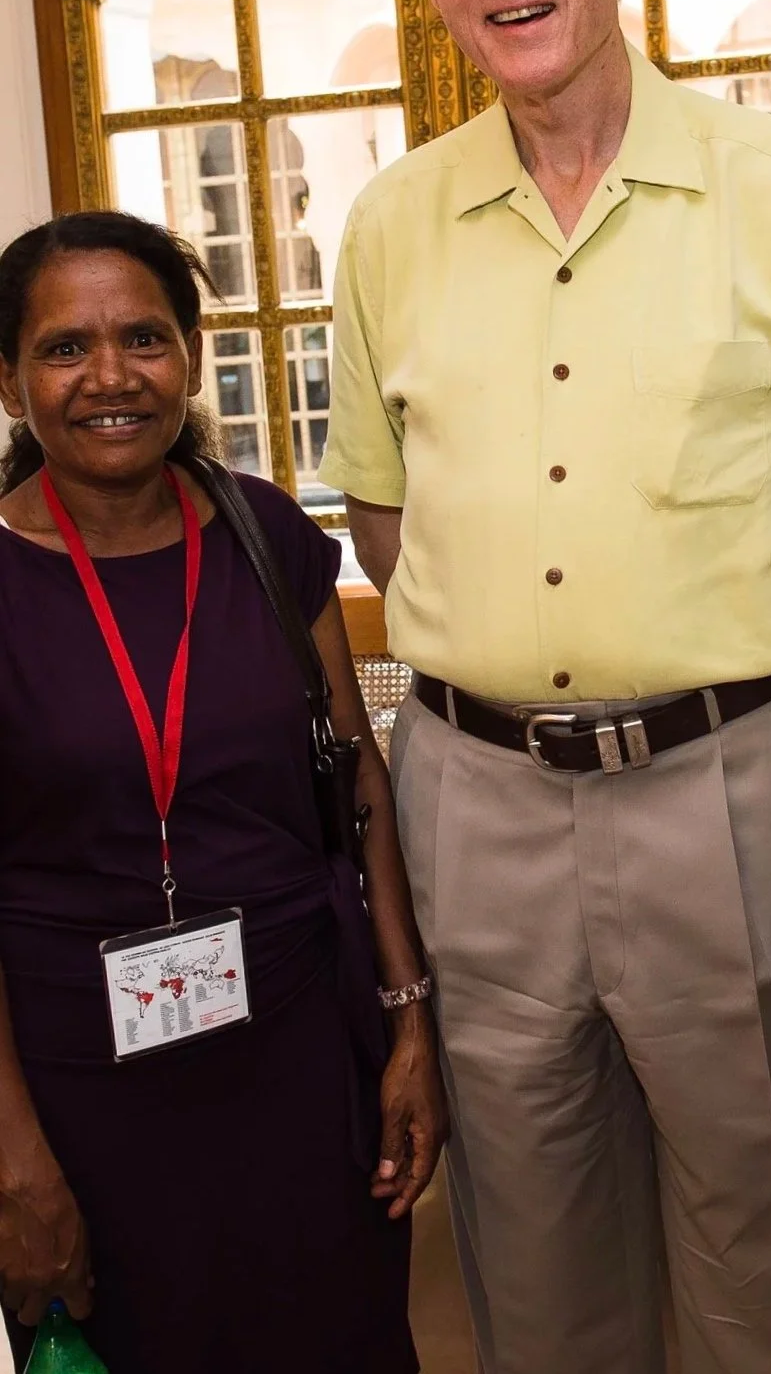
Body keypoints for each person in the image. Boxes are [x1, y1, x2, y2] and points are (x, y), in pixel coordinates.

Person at [318, 0, 771, 1374]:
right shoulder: (387, 224)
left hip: (734, 787)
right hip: (478, 799)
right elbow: (385, 520)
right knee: (527, 1248)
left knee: (765, 1240)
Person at [0, 212, 446, 1374]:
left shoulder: (268, 535)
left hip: (300, 1062)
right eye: (64, 348)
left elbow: (358, 780)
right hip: (82, 1097)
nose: (110, 377)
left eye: (144, 338)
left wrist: (408, 1031)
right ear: (9, 380)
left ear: (191, 357)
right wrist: (12, 1162)